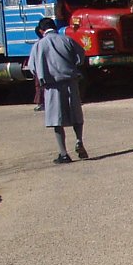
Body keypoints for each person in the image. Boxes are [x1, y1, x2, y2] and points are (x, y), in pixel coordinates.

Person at [30, 18, 88, 163]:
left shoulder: (39, 45)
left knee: (56, 119)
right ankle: (79, 140)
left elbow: (33, 68)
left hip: (52, 86)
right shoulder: (67, 40)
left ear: (41, 31)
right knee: (76, 114)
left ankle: (63, 153)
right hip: (71, 82)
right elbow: (80, 56)